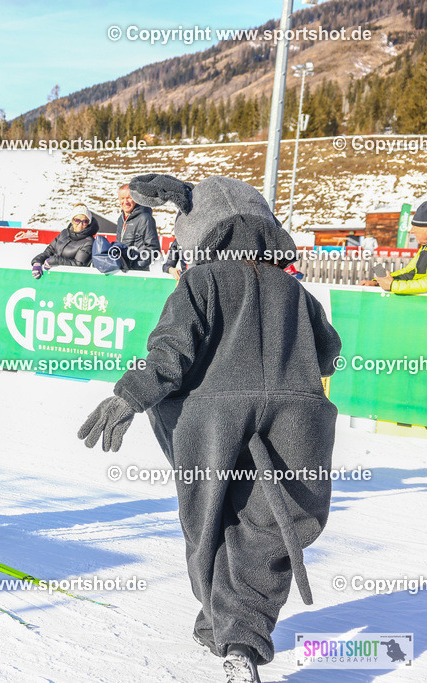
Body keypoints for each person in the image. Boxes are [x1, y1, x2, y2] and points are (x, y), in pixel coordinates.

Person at [79, 174, 341, 683]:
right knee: (268, 525)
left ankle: (225, 622)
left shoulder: (201, 281)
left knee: (210, 517)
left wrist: (128, 397)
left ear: (199, 230)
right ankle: (237, 632)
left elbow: (170, 355)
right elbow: (329, 352)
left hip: (213, 417)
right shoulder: (295, 289)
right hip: (296, 418)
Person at [359, 202, 427, 295]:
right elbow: (410, 272)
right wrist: (378, 283)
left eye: (416, 226)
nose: (411, 230)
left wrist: (393, 285)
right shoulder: (424, 248)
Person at [30, 206, 98, 278]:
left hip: (72, 280)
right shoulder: (64, 233)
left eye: (85, 221)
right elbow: (49, 251)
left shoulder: (89, 241)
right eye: (77, 220)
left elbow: (79, 265)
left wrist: (55, 260)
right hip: (54, 277)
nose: (80, 225)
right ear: (72, 220)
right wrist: (37, 261)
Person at [115, 183, 160, 270]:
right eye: (122, 198)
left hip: (137, 273)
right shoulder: (121, 219)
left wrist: (136, 266)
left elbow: (153, 249)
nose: (125, 202)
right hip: (122, 270)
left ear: (136, 199)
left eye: (129, 198)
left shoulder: (145, 218)